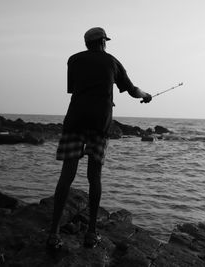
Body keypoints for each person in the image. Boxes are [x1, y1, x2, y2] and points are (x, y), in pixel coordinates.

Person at [47, 27, 152, 249]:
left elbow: (75, 88)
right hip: (99, 124)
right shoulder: (112, 62)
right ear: (103, 42)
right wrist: (146, 95)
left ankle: (54, 233)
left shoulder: (73, 60)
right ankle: (91, 232)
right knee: (94, 177)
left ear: (87, 43)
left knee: (66, 176)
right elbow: (132, 90)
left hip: (75, 121)